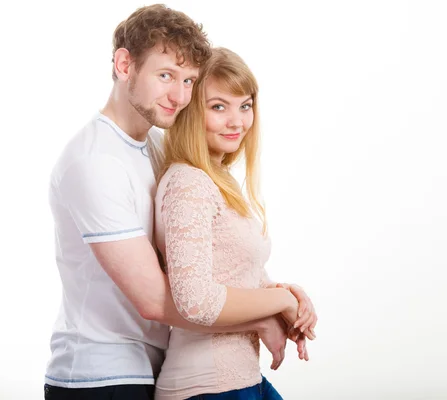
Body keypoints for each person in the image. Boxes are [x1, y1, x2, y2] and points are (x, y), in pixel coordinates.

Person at [43, 5, 302, 400]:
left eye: (189, 81)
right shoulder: (94, 161)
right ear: (125, 64)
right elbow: (154, 299)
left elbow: (201, 268)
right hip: (102, 377)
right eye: (166, 76)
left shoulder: (158, 148)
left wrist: (272, 295)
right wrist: (263, 315)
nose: (180, 95)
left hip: (156, 367)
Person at [152, 47, 318, 400]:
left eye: (245, 105)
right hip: (208, 387)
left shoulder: (215, 178)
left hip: (238, 381)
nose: (237, 121)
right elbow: (195, 301)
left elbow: (234, 273)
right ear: (189, 110)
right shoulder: (189, 184)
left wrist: (287, 298)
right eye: (218, 106)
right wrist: (279, 303)